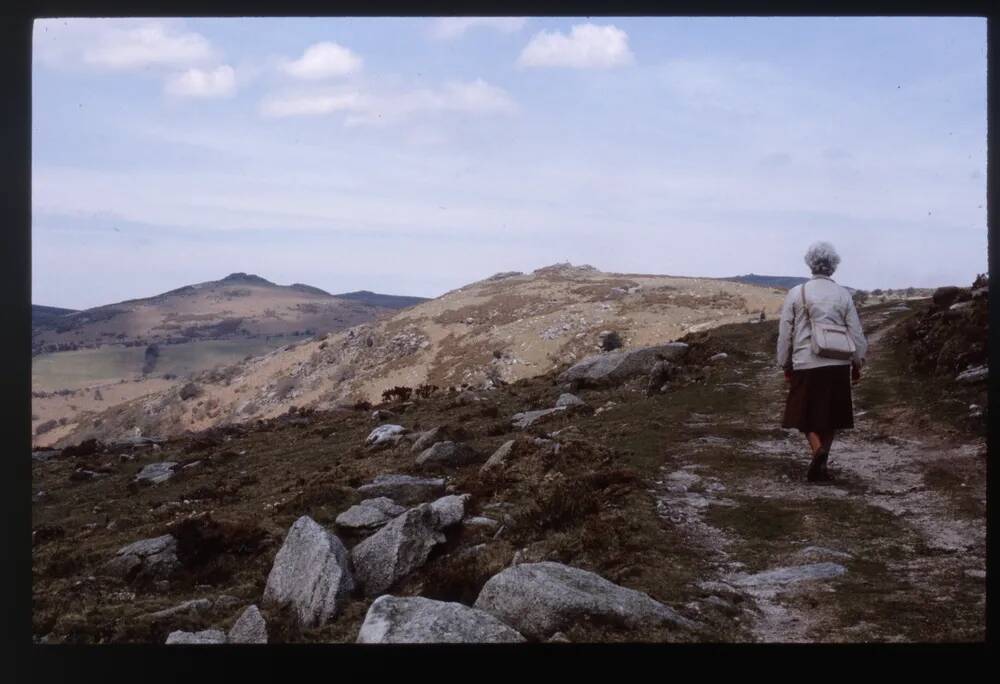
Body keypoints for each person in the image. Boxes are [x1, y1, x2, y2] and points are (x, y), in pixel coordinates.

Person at [776, 242, 868, 482]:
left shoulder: (798, 293)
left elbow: (786, 331)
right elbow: (855, 332)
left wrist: (784, 362)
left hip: (806, 361)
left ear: (810, 263)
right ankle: (822, 465)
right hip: (837, 363)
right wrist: (858, 362)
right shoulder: (843, 294)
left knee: (803, 413)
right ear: (833, 266)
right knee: (831, 416)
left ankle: (817, 450)